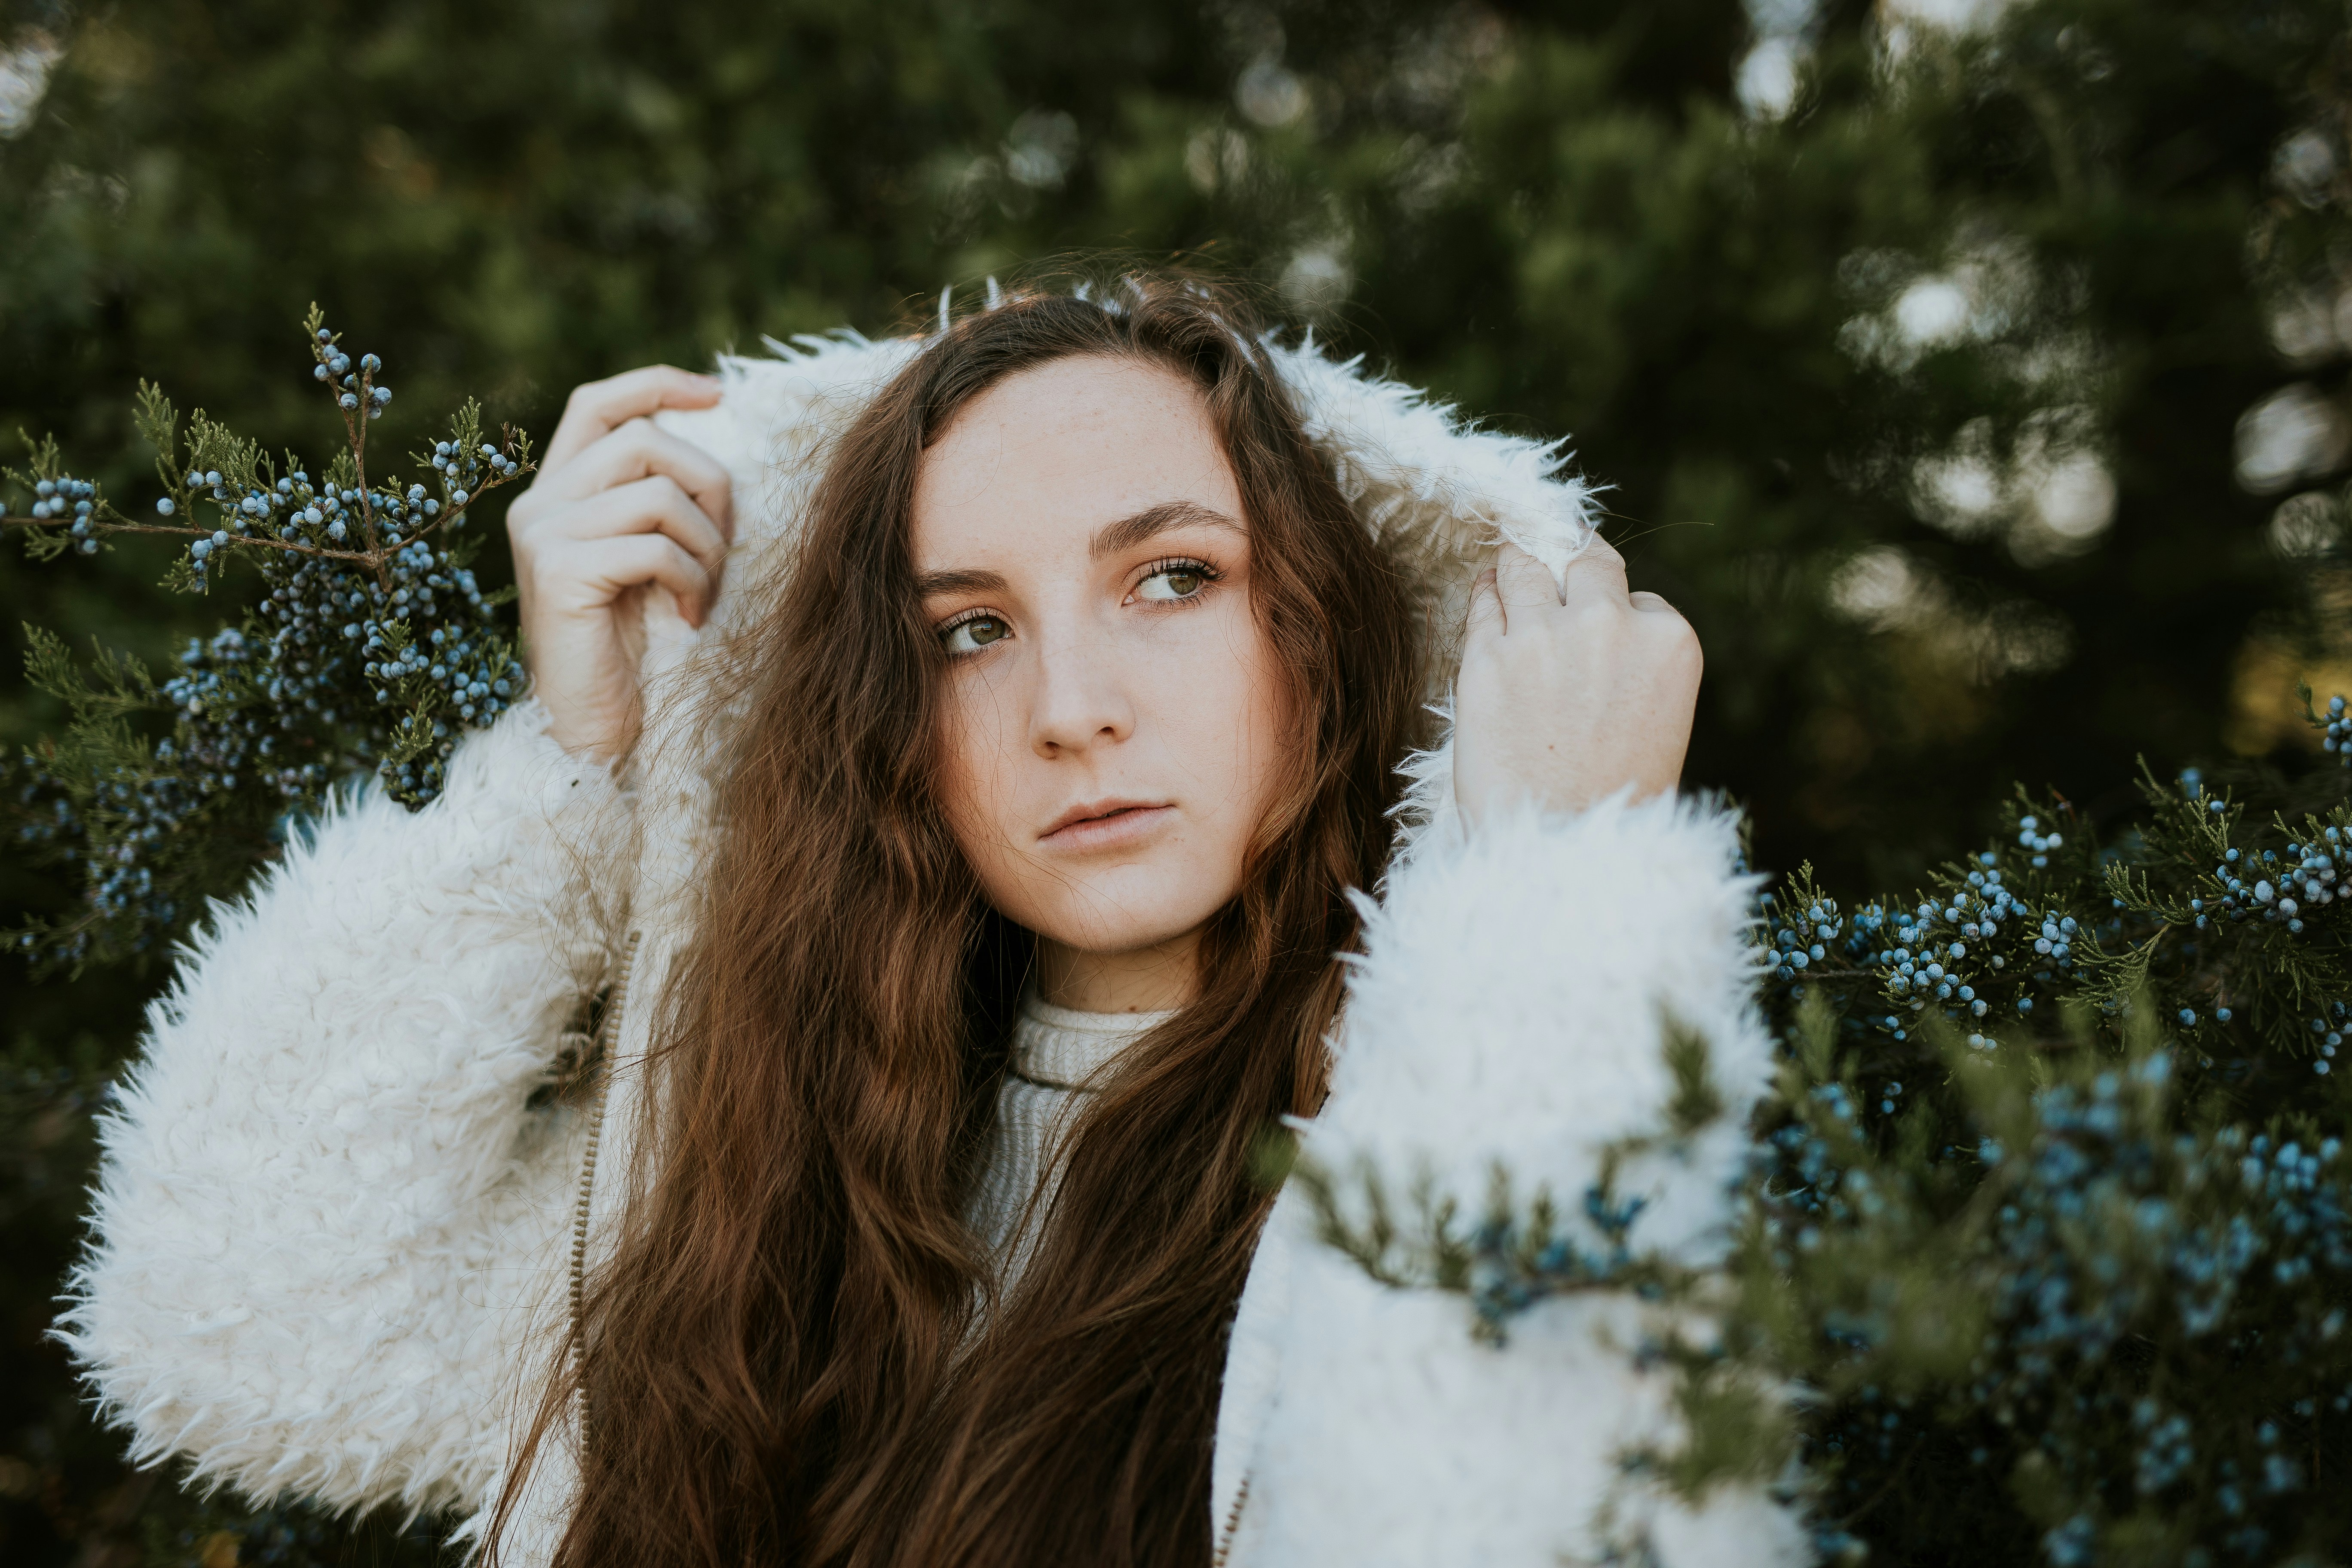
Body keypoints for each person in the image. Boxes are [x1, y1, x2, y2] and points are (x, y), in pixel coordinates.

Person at [63, 273, 1804, 1567]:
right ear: (885, 719)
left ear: (1327, 630)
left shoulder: (1410, 1136)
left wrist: (1545, 907)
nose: (1070, 707)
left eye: (1172, 578)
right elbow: (225, 1322)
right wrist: (572, 777)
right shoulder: (754, 1178)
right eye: (969, 628)